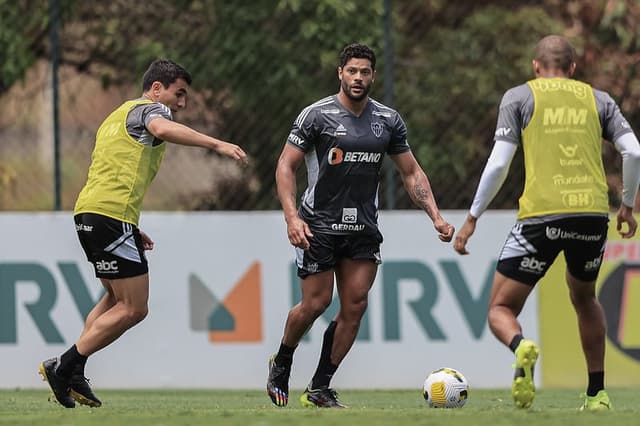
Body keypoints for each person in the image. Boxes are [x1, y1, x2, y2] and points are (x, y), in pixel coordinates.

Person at [38, 59, 248, 408]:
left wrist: (130, 226)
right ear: (156, 88)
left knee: (112, 301)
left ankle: (73, 370)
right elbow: (163, 129)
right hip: (109, 216)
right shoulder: (149, 110)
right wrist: (217, 145)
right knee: (135, 308)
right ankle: (65, 366)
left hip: (92, 213)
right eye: (178, 94)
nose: (181, 103)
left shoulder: (117, 116)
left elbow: (114, 170)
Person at [453, 35, 640, 410]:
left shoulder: (520, 97)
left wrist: (473, 216)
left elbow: (500, 162)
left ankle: (522, 347)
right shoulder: (598, 99)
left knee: (500, 310)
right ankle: (597, 394)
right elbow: (633, 150)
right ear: (573, 68)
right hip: (590, 215)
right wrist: (627, 206)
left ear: (535, 67)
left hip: (541, 216)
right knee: (585, 298)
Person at [267, 43, 455, 408]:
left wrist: (435, 215)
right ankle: (282, 362)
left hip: (363, 229)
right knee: (316, 303)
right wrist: (292, 217)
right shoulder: (316, 116)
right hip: (317, 225)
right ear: (340, 73)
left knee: (355, 305)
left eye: (365, 71)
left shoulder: (387, 120)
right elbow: (284, 166)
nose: (358, 77)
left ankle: (319, 388)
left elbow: (411, 171)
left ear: (373, 75)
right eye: (351, 71)